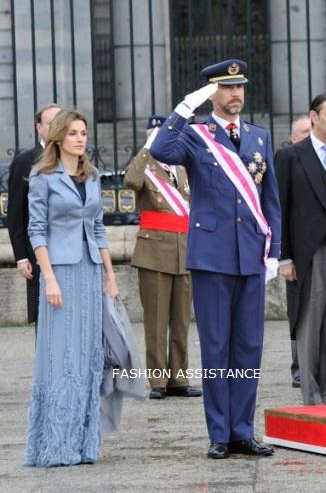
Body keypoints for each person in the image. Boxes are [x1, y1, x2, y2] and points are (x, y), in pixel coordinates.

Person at [150, 59, 281, 459]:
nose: (235, 94)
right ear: (212, 93)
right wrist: (184, 108)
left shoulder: (259, 137)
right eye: (226, 88)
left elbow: (269, 199)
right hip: (212, 258)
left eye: (240, 86)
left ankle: (243, 430)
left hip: (251, 256)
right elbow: (160, 149)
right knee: (216, 346)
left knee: (248, 347)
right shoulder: (195, 136)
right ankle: (220, 434)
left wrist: (274, 252)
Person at [25, 109, 119, 467]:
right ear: (59, 137)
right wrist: (48, 277)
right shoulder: (42, 177)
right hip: (60, 274)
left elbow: (98, 229)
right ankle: (56, 446)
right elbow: (37, 230)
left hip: (90, 273)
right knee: (62, 359)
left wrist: (110, 276)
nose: (81, 138)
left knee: (87, 360)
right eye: (74, 133)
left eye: (84, 133)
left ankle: (84, 445)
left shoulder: (91, 176)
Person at [124, 115, 202, 400]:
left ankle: (179, 379)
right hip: (154, 252)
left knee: (181, 321)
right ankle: (157, 381)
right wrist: (147, 148)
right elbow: (130, 181)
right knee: (156, 322)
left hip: (184, 250)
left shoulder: (182, 169)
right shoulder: (146, 167)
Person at [275, 93, 326, 405]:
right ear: (313, 117)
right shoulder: (291, 156)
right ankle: (312, 396)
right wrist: (284, 256)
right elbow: (280, 209)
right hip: (306, 253)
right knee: (309, 323)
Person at [7, 103, 62, 328]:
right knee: (45, 315)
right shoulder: (24, 162)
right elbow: (16, 213)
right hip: (38, 251)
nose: (57, 128)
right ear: (39, 127)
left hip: (68, 249)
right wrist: (21, 256)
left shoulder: (74, 157)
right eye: (51, 124)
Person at [287, 114, 312, 388]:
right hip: (297, 247)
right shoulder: (287, 159)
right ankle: (299, 366)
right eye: (303, 132)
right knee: (299, 309)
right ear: (294, 137)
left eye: (311, 130)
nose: (308, 134)